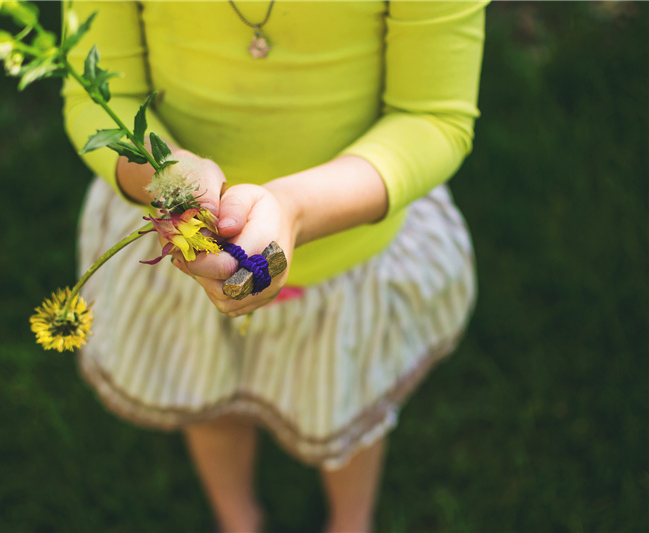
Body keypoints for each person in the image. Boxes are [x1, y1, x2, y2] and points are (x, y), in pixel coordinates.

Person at [62, 1, 487, 531]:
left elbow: (432, 118)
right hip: (188, 258)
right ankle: (238, 516)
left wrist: (295, 209)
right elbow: (97, 97)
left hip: (345, 257)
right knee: (212, 402)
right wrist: (164, 176)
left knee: (347, 409)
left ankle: (350, 520)